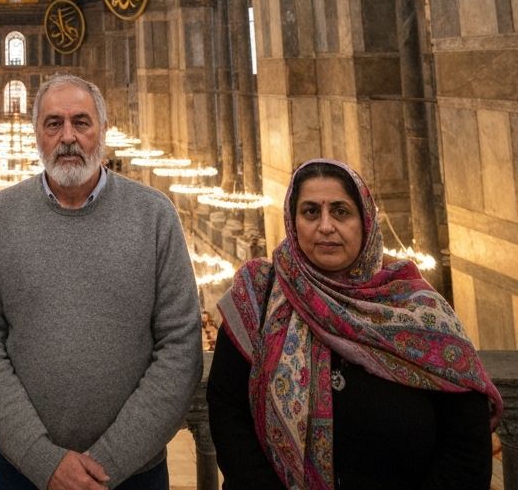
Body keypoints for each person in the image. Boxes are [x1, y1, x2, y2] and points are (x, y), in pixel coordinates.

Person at [0, 73, 202, 490]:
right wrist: (44, 460)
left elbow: (181, 345)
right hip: (28, 472)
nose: (68, 137)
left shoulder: (154, 216)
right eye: (53, 124)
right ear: (37, 134)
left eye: (81, 122)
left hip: (134, 474)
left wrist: (106, 463)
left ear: (103, 131)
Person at [206, 158, 503, 490]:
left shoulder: (418, 307)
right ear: (292, 221)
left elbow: (466, 440)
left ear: (366, 221)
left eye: (341, 211)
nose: (326, 226)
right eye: (310, 212)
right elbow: (228, 411)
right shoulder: (258, 295)